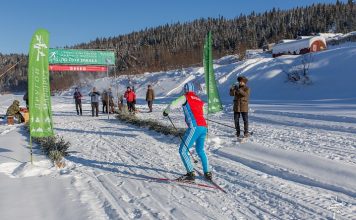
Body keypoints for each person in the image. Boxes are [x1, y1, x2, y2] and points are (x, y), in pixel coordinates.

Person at [163, 82, 212, 181]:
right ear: (193, 90)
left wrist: (166, 111)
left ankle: (190, 174)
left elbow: (173, 104)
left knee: (183, 150)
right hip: (203, 126)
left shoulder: (185, 97)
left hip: (195, 127)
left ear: (185, 90)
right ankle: (207, 172)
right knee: (200, 150)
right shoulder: (199, 99)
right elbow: (204, 112)